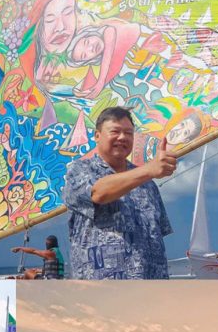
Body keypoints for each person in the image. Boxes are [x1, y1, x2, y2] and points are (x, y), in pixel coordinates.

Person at [62, 107, 175, 280]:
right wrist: (148, 170)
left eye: (128, 133)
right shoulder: (79, 171)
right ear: (97, 135)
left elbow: (159, 233)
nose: (122, 137)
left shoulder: (148, 184)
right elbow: (98, 193)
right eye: (115, 131)